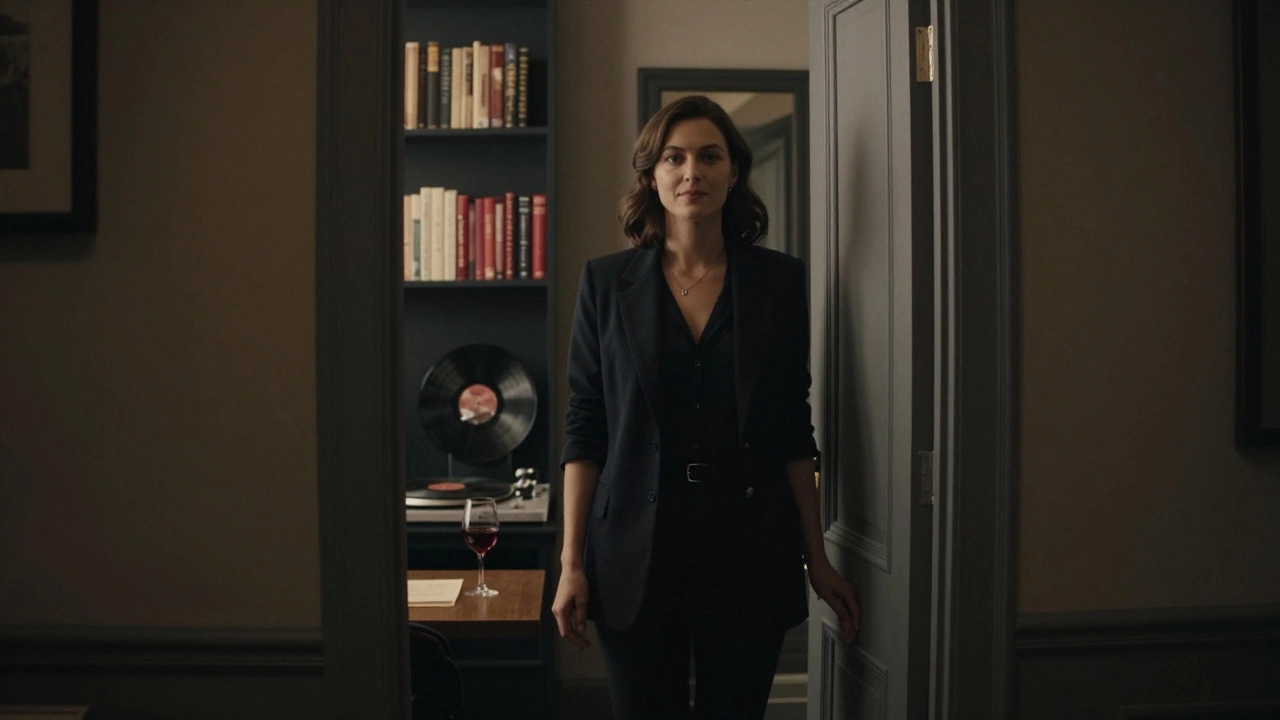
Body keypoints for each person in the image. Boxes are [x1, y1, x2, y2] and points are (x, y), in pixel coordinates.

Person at [553, 95, 860, 720]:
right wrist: (571, 562)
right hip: (635, 553)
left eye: (709, 156)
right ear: (652, 175)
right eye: (674, 158)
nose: (692, 172)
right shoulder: (605, 283)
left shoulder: (779, 282)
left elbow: (792, 428)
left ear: (734, 171)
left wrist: (817, 556)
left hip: (749, 546)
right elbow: (586, 428)